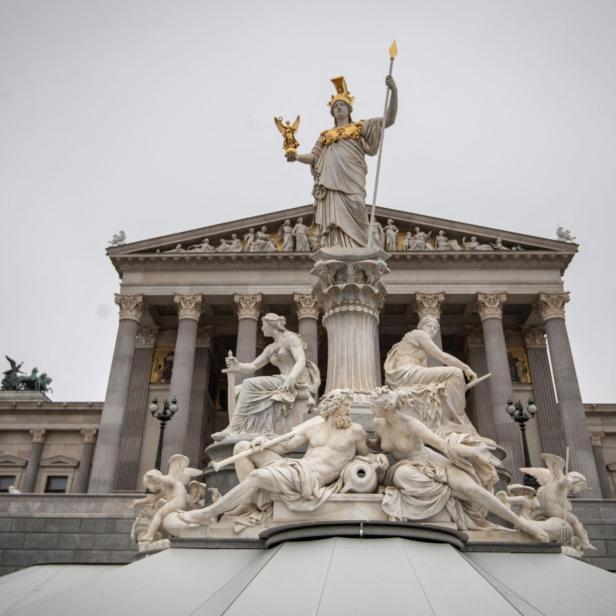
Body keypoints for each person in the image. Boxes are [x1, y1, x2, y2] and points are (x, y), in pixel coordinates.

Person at [370, 387, 549, 541]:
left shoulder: (411, 425)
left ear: (387, 408)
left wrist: (472, 453)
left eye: (375, 405)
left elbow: (441, 444)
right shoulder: (378, 423)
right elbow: (379, 445)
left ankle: (521, 523)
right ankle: (448, 495)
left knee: (472, 490)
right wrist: (363, 444)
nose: (372, 408)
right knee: (404, 475)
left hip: (434, 463)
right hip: (407, 467)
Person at [179, 389, 368, 525]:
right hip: (296, 467)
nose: (348, 411)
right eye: (345, 406)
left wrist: (377, 462)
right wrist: (262, 440)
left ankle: (207, 513)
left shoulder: (355, 431)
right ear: (333, 407)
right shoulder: (314, 427)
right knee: (242, 447)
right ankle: (249, 503)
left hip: (309, 480)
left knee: (257, 477)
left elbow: (365, 456)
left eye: (348, 407)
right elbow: (285, 446)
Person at [286, 75, 398, 248]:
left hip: (353, 180)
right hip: (330, 183)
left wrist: (394, 91)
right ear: (332, 112)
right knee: (334, 223)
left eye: (342, 105)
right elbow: (313, 157)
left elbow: (389, 120)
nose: (338, 108)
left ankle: (359, 248)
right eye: (335, 106)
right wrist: (297, 156)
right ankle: (337, 249)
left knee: (357, 206)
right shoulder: (325, 135)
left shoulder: (360, 127)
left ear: (349, 109)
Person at [213, 313, 320, 439]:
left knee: (248, 384)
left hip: (294, 381)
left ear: (272, 325)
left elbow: (301, 360)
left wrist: (291, 378)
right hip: (281, 380)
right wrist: (238, 365)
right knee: (238, 390)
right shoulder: (271, 347)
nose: (262, 328)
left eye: (263, 325)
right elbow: (253, 366)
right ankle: (248, 429)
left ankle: (234, 428)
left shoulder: (291, 338)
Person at [384, 316, 481, 438]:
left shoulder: (413, 342)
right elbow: (442, 356)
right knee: (455, 373)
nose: (433, 329)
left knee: (441, 385)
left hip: (410, 373)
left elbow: (425, 372)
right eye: (430, 326)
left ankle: (445, 417)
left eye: (435, 328)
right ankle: (456, 416)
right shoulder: (419, 334)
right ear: (421, 326)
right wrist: (466, 368)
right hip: (407, 372)